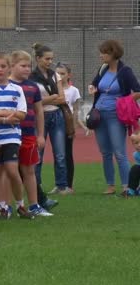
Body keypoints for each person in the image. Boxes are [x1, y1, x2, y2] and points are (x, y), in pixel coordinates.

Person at [0, 52, 33, 219]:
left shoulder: (17, 90)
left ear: (9, 68)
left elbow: (22, 115)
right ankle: (2, 206)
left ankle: (20, 204)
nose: (0, 70)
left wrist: (0, 113)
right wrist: (7, 117)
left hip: (11, 136)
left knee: (12, 170)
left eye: (3, 66)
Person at [87, 39, 140, 196]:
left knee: (119, 152)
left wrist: (126, 100)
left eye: (104, 52)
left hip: (116, 116)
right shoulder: (103, 69)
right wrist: (92, 88)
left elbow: (137, 91)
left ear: (113, 53)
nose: (101, 55)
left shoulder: (125, 71)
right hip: (99, 115)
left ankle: (126, 186)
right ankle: (110, 185)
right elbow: (95, 84)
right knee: (105, 152)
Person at [9, 50, 53, 217]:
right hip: (8, 133)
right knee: (8, 171)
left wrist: (40, 134)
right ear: (12, 66)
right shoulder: (5, 85)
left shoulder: (32, 86)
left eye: (29, 66)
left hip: (28, 133)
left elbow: (39, 111)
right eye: (23, 66)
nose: (27, 69)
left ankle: (34, 205)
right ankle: (7, 206)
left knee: (29, 170)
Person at [30, 43, 69, 195]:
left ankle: (61, 185)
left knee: (60, 153)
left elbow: (62, 98)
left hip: (57, 116)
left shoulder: (55, 75)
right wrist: (51, 98)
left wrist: (47, 100)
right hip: (40, 116)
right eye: (46, 59)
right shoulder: (31, 77)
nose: (49, 62)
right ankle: (36, 185)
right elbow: (32, 102)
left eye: (51, 59)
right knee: (38, 154)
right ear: (38, 58)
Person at [57, 62, 90, 193]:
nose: (60, 76)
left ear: (69, 75)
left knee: (67, 154)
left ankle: (69, 185)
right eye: (57, 73)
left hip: (67, 123)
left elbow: (75, 110)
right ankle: (59, 184)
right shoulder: (53, 89)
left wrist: (75, 126)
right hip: (55, 124)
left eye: (62, 73)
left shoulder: (73, 91)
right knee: (58, 155)